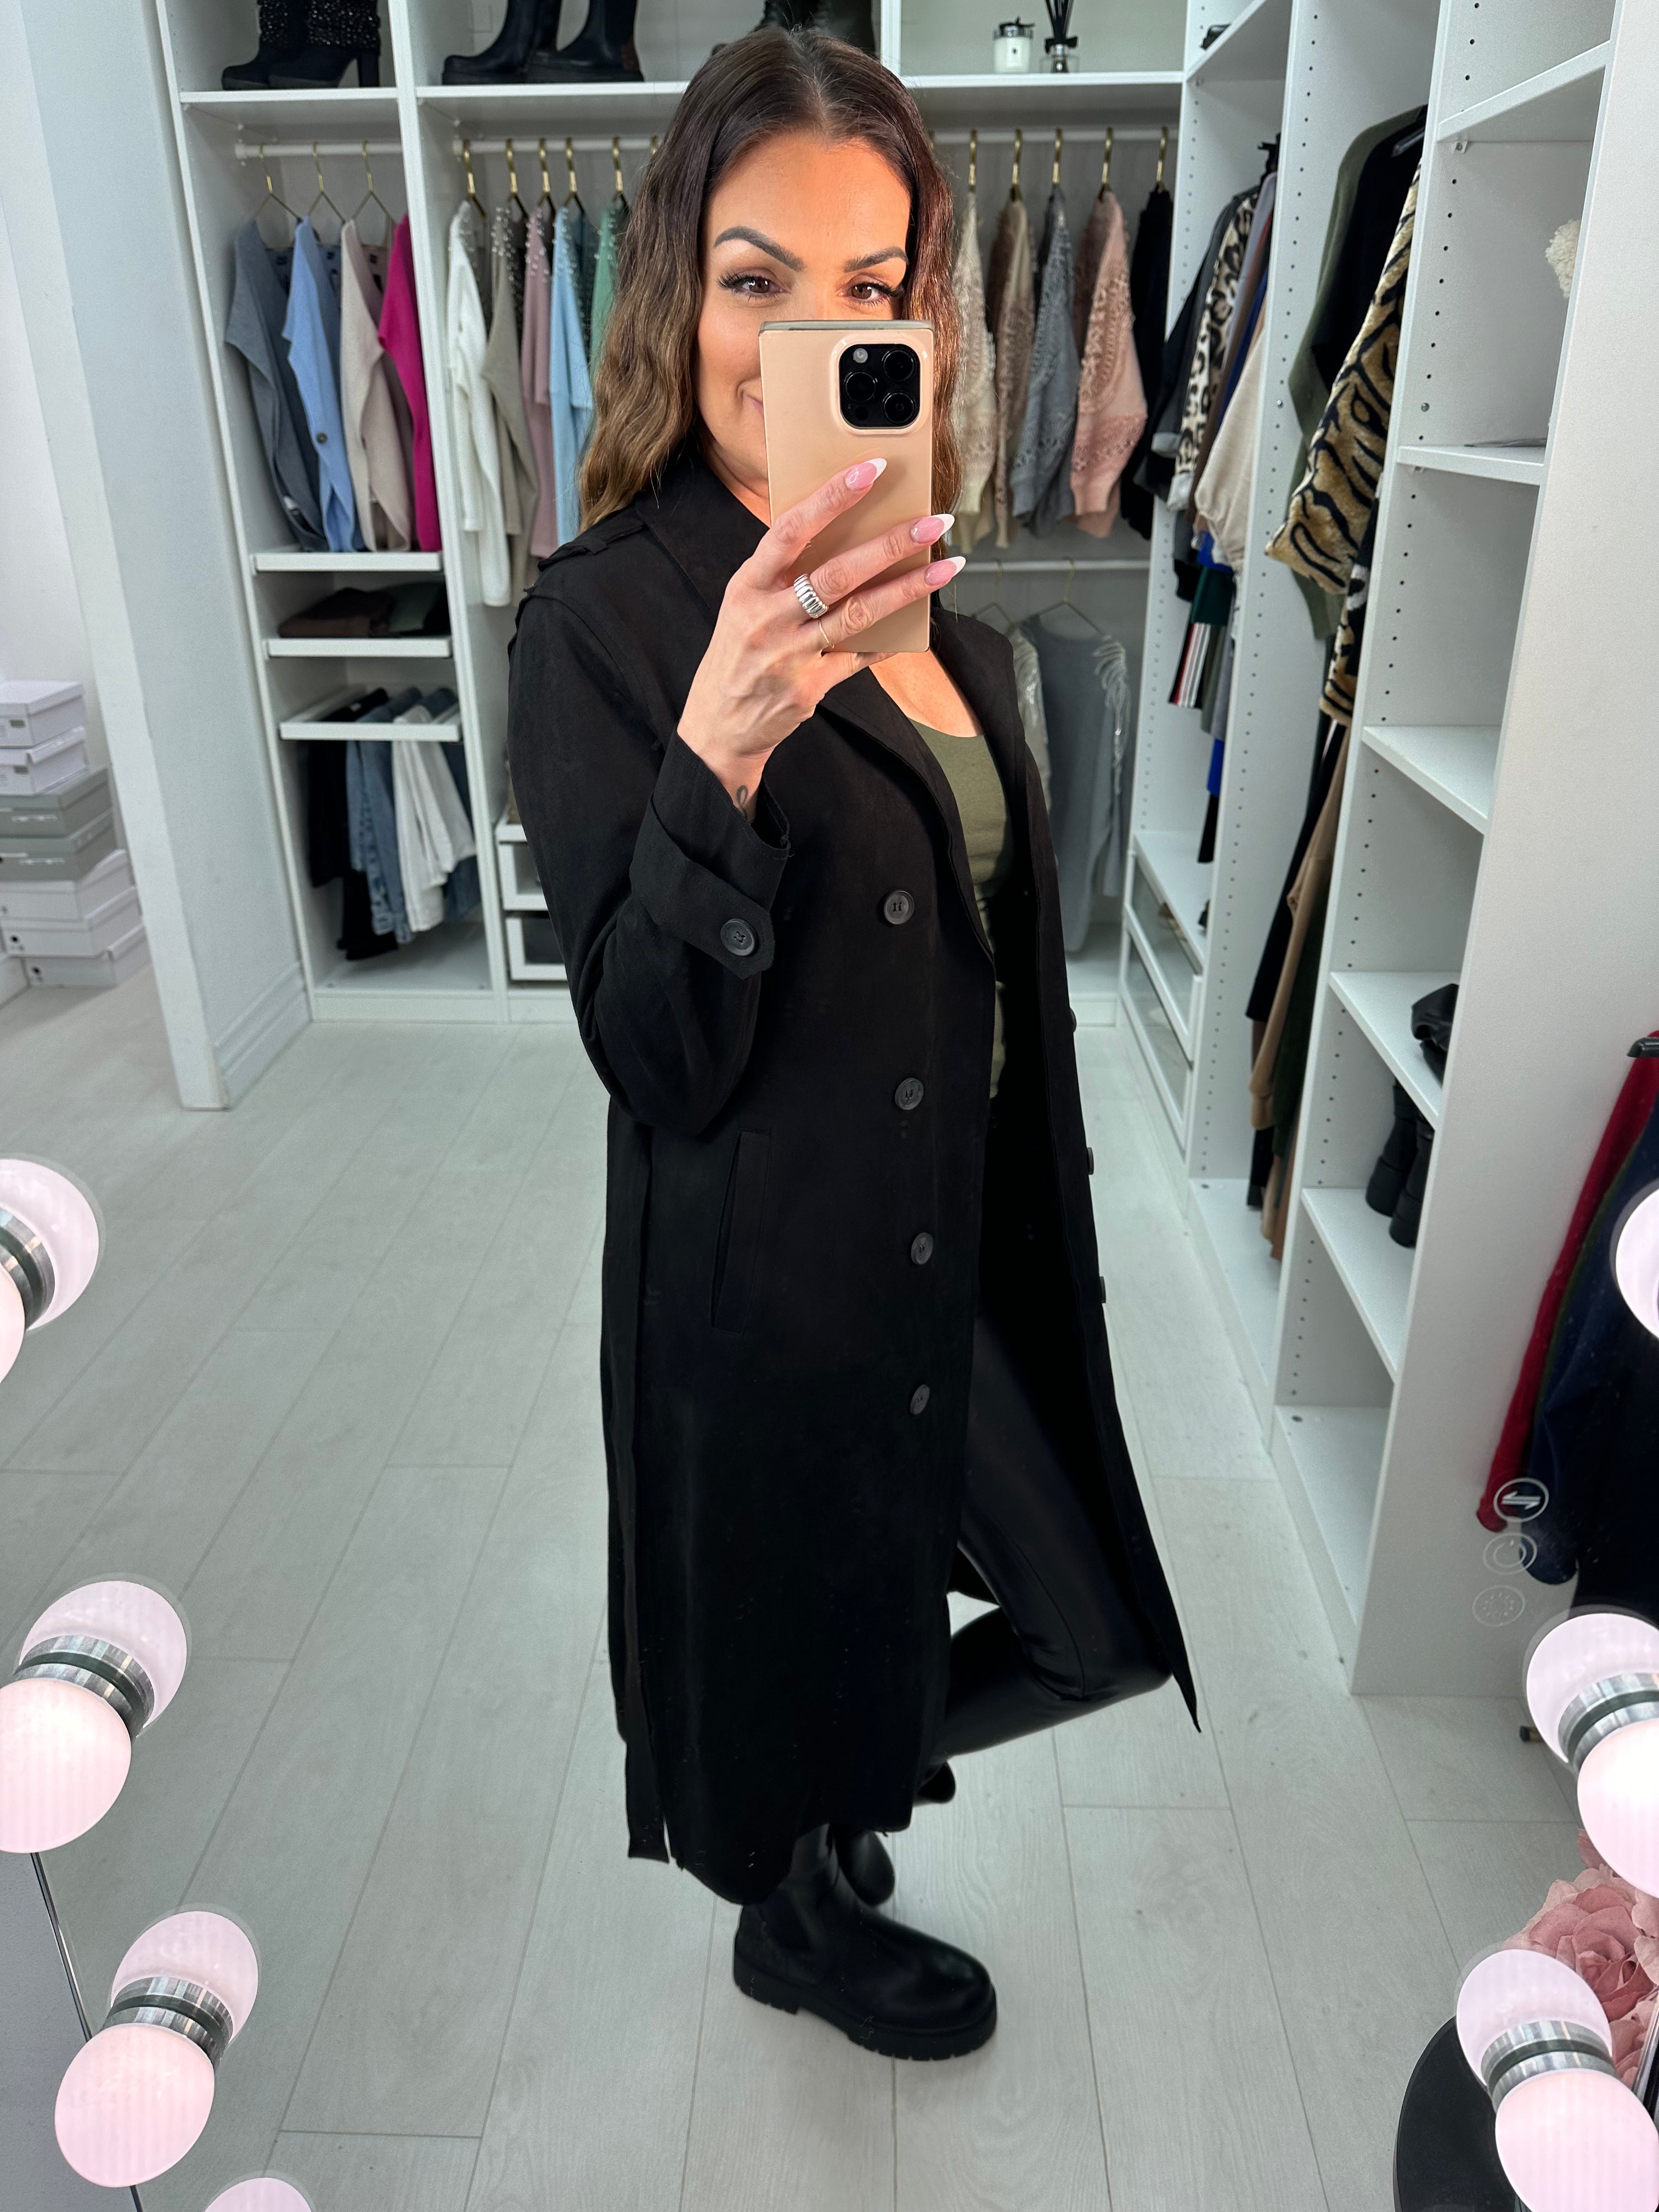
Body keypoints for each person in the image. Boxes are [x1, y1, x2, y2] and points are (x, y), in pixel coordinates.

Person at [507, 26, 1194, 2063]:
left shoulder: (938, 608)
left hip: (963, 1226)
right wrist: (719, 750)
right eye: (758, 279)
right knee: (862, 1614)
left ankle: (838, 1771)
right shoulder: (605, 624)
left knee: (1092, 1628)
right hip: (784, 1279)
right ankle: (792, 1901)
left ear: (921, 315)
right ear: (677, 287)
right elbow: (647, 1052)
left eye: (869, 286)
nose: (809, 335)